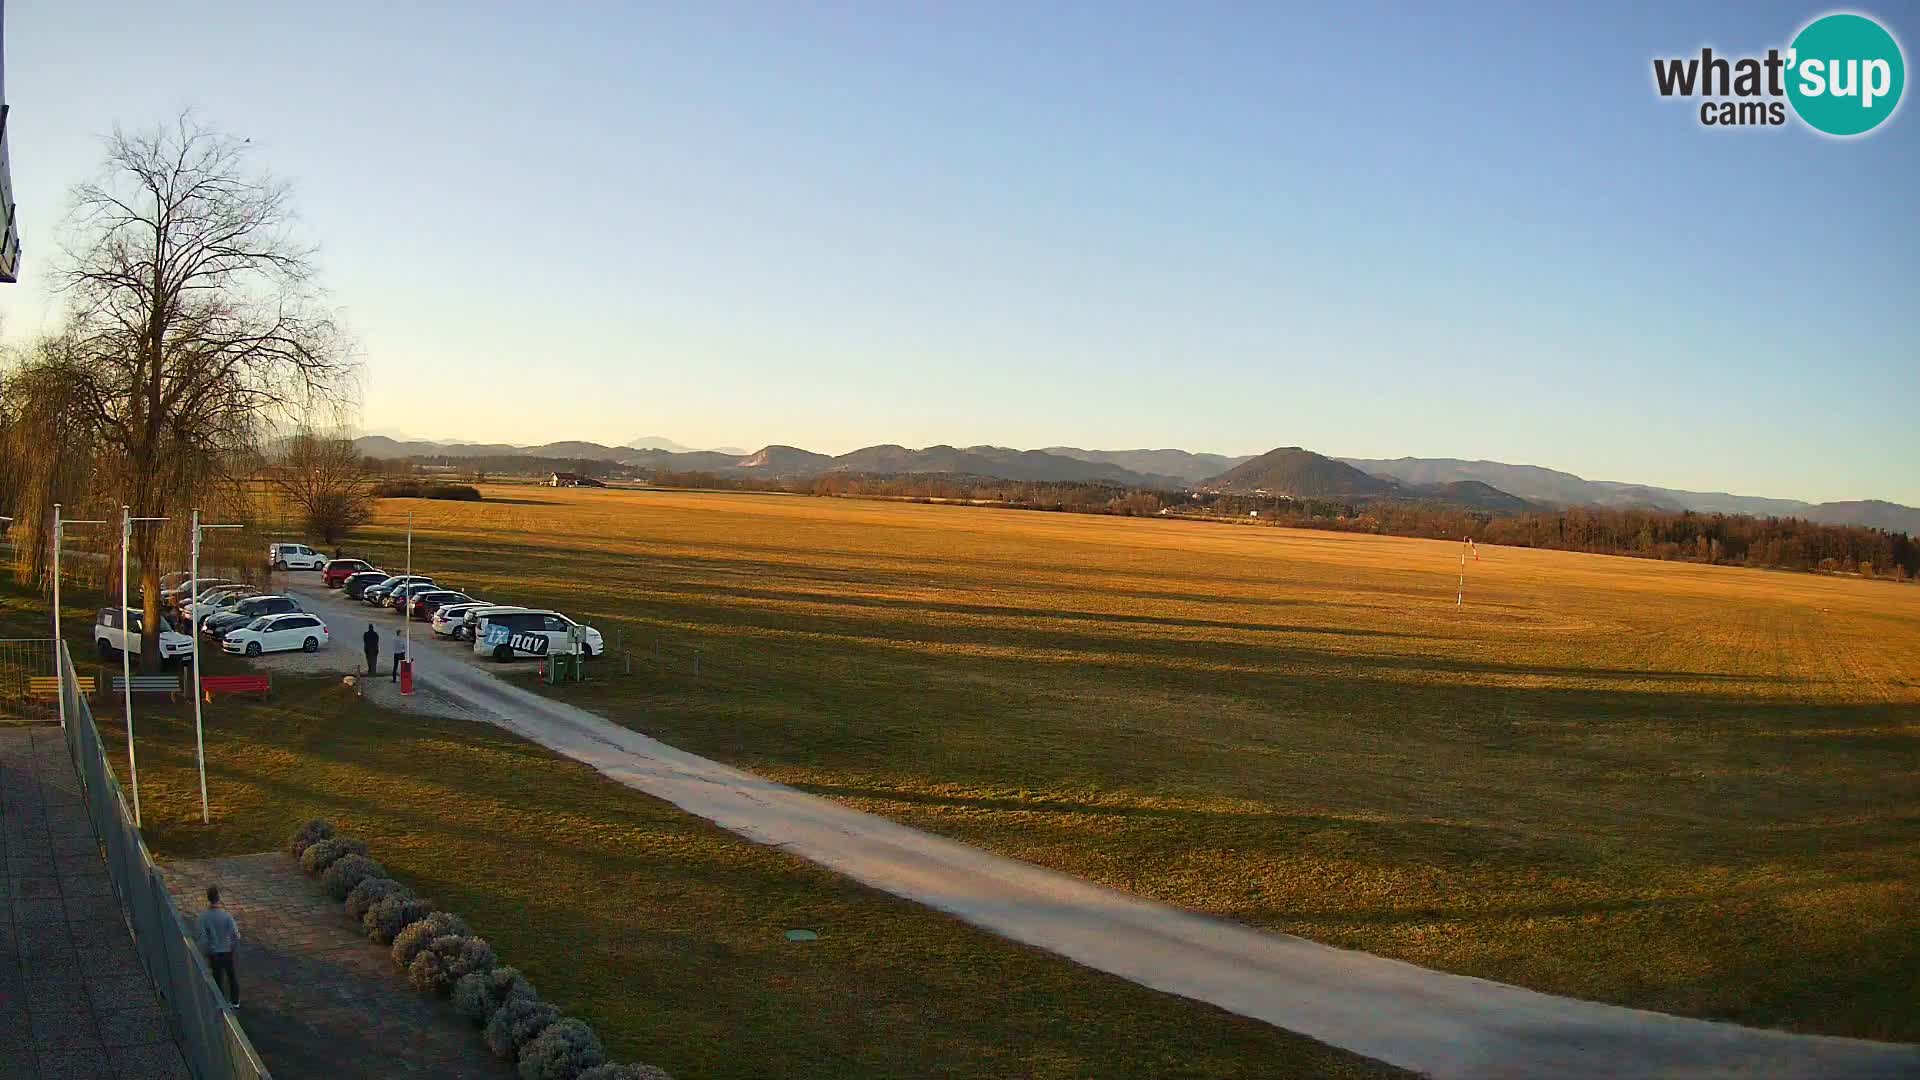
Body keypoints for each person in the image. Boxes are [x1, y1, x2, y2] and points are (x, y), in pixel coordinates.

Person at [198, 885, 240, 1007]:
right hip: (227, 951)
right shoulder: (226, 916)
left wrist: (207, 951)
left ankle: (219, 1001)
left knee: (217, 977)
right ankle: (235, 1001)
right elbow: (235, 934)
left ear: (208, 898)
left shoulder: (204, 917)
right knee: (231, 976)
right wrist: (233, 947)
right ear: (219, 898)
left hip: (214, 953)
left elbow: (203, 938)